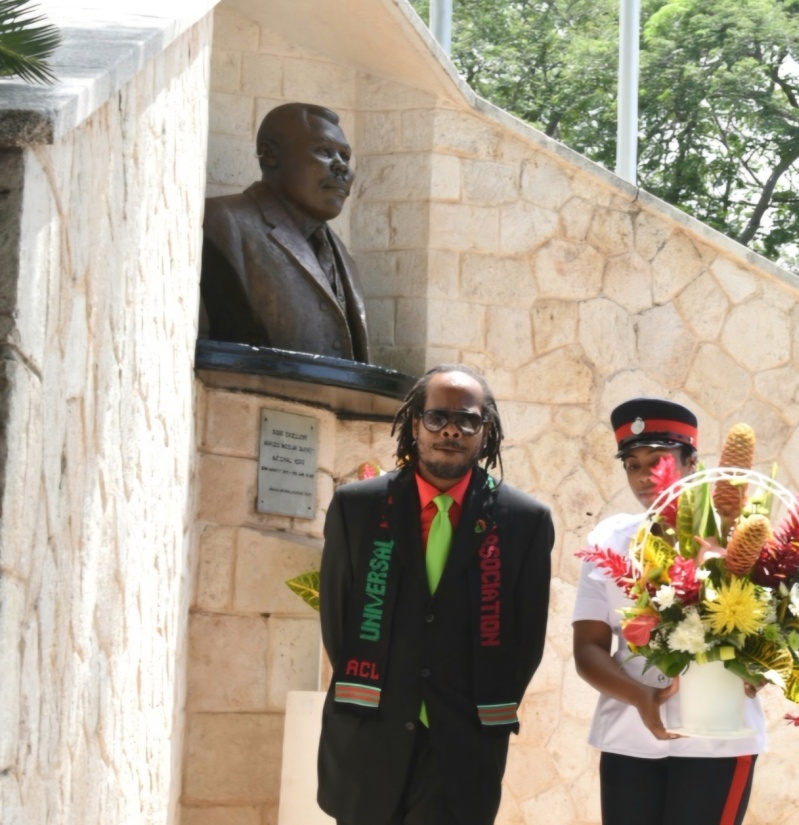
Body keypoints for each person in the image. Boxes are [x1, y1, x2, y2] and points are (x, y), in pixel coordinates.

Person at [317, 365, 555, 825]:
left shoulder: (524, 521)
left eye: (467, 420)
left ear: (485, 432)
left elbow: (525, 640)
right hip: (371, 734)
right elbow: (339, 622)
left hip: (463, 744)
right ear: (414, 423)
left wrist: (476, 709)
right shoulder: (358, 508)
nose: (451, 429)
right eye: (437, 417)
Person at [572, 398, 767, 825]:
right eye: (632, 464)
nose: (644, 475)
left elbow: (776, 631)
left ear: (691, 462)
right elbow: (588, 648)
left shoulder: (741, 538)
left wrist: (759, 670)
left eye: (657, 460)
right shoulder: (609, 540)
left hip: (718, 743)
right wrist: (641, 698)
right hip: (629, 736)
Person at [200, 102, 371, 362]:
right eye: (325, 151)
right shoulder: (224, 222)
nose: (341, 167)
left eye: (345, 156)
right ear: (269, 154)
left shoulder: (344, 258)